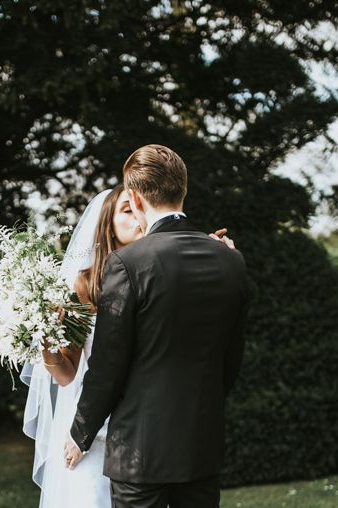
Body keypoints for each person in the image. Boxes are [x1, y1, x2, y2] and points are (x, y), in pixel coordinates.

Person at [22, 182, 237, 508]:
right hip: (97, 431)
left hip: (156, 432)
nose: (138, 218)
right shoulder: (84, 285)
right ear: (107, 223)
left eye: (137, 209)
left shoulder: (164, 271)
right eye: (127, 210)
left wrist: (218, 257)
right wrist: (46, 339)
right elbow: (67, 374)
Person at [64, 144, 250, 508]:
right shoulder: (231, 260)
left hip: (139, 450)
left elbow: (108, 363)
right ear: (183, 190)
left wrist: (80, 432)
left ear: (133, 198)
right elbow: (232, 357)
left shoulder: (128, 262)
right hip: (201, 442)